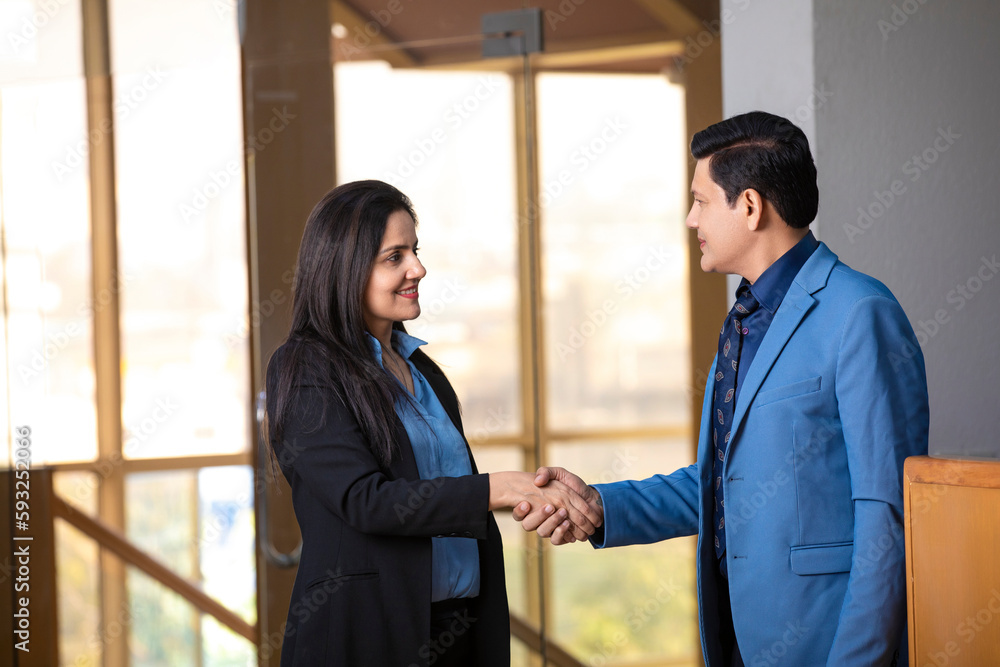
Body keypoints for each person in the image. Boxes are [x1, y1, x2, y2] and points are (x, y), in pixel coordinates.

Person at [514, 111, 929, 666]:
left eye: (701, 201)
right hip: (737, 640)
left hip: (823, 645)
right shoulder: (744, 321)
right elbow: (722, 485)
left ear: (751, 206)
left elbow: (889, 513)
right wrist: (600, 506)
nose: (691, 219)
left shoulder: (859, 313)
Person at [264, 180, 601, 666]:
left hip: (458, 630)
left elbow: (444, 497)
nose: (417, 269)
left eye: (415, 251)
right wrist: (500, 488)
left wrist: (534, 496)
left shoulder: (423, 370)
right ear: (344, 268)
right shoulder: (306, 368)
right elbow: (366, 501)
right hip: (368, 638)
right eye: (394, 257)